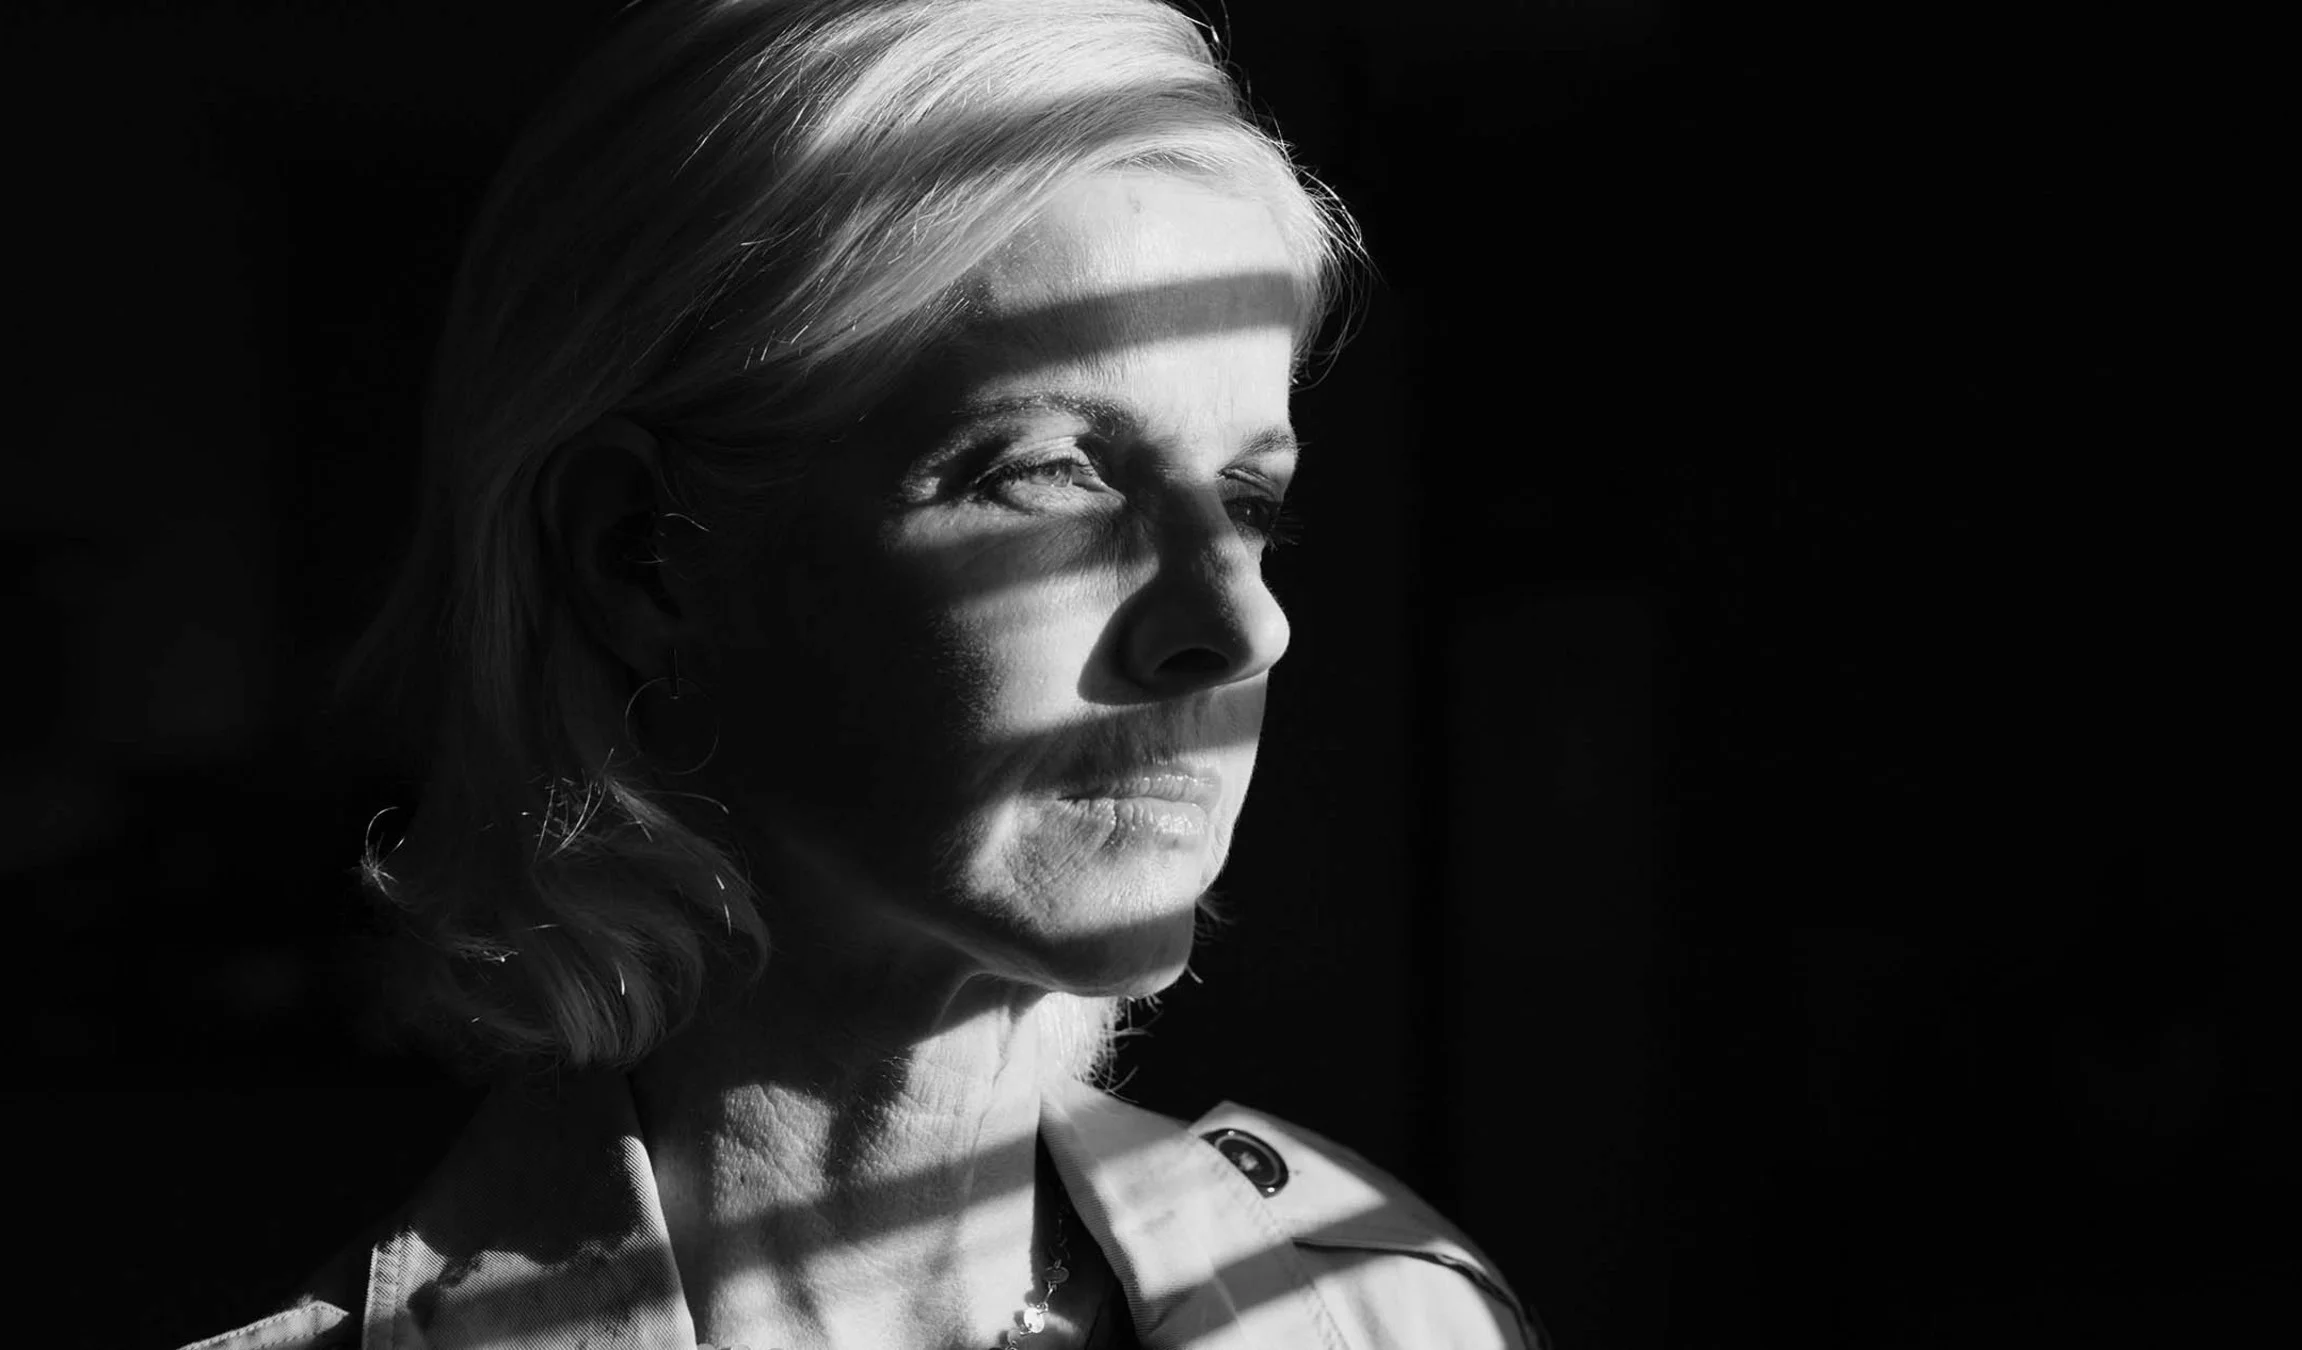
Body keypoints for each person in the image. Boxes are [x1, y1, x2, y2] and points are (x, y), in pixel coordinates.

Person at [181, 1, 1537, 1346]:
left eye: (1246, 493)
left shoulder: (1389, 1309)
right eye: (1053, 470)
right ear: (642, 558)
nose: (1242, 623)